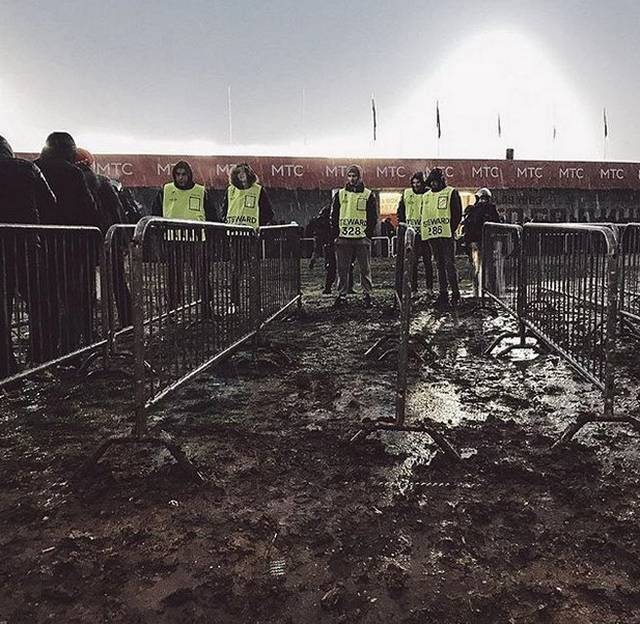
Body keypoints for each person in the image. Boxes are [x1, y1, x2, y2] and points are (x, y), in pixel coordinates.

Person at [35, 132, 101, 354]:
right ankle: (70, 348)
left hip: (37, 245)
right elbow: (88, 208)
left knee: (44, 300)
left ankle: (43, 350)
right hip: (70, 245)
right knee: (73, 298)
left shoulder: (34, 167)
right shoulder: (72, 172)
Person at [0, 135, 57, 377]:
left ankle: (6, 365)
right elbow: (50, 200)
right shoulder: (27, 167)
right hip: (25, 243)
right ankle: (40, 357)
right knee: (38, 301)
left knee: (4, 307)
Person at [152, 161, 217, 316]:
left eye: (184, 174)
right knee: (174, 276)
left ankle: (206, 307)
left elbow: (211, 215)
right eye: (178, 174)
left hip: (195, 239)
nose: (181, 178)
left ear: (189, 175)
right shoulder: (166, 190)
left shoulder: (201, 191)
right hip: (173, 239)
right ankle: (173, 309)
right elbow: (156, 212)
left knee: (201, 274)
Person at [329, 164, 377, 307]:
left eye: (354, 176)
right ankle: (342, 295)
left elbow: (372, 217)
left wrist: (368, 235)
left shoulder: (368, 194)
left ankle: (367, 295)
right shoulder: (340, 194)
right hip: (344, 237)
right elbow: (334, 215)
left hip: (361, 238)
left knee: (365, 268)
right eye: (349, 176)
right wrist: (335, 234)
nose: (352, 179)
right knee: (342, 269)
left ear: (359, 177)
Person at [421, 167, 462, 308]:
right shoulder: (426, 196)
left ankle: (455, 293)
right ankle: (443, 293)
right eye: (431, 182)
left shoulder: (451, 192)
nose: (433, 184)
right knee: (439, 264)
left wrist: (449, 229)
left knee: (449, 264)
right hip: (434, 235)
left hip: (446, 235)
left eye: (435, 181)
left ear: (441, 181)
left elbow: (457, 214)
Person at [397, 171, 434, 296]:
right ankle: (413, 289)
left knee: (427, 262)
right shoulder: (407, 194)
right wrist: (402, 223)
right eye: (413, 183)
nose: (416, 185)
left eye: (418, 182)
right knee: (412, 263)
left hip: (425, 233)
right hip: (411, 233)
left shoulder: (428, 194)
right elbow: (401, 210)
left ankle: (429, 288)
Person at [462, 187, 501, 299]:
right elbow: (497, 225)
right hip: (484, 242)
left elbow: (468, 228)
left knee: (477, 268)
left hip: (477, 243)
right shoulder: (490, 209)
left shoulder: (473, 210)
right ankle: (489, 291)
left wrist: (468, 243)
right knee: (487, 267)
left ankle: (479, 291)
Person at [309, 205, 354, 295]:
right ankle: (348, 287)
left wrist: (314, 258)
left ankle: (329, 287)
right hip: (341, 244)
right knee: (347, 267)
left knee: (331, 268)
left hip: (330, 246)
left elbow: (319, 241)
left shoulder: (322, 223)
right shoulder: (339, 218)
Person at [220, 163, 274, 229]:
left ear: (248, 174)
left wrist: (258, 225)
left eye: (243, 172)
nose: (241, 174)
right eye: (238, 172)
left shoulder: (258, 190)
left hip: (251, 233)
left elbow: (268, 212)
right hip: (232, 232)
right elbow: (224, 210)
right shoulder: (230, 190)